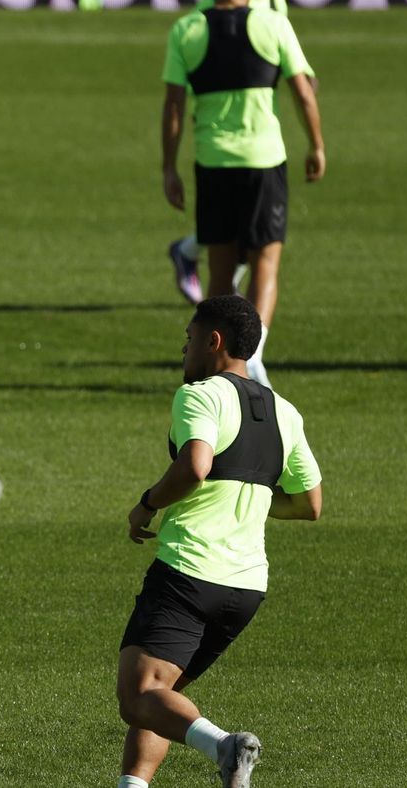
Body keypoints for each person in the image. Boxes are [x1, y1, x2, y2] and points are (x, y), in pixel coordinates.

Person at [117, 294, 323, 788]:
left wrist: (146, 504)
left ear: (214, 342)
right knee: (163, 697)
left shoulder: (203, 394)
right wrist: (248, 497)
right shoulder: (285, 412)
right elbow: (309, 504)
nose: (183, 351)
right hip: (246, 588)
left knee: (138, 693)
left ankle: (225, 747)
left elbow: (195, 466)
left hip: (189, 571)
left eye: (189, 340)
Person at [160, 0, 325, 388]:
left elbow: (174, 106)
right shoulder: (273, 24)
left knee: (220, 267)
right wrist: (317, 145)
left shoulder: (187, 30)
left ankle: (218, 361)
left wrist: (169, 168)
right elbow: (303, 91)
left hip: (212, 161)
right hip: (263, 158)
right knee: (265, 262)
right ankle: (251, 358)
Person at [168, 0, 307, 304]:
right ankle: (243, 344)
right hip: (223, 131)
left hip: (255, 131)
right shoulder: (207, 12)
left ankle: (189, 254)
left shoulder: (274, 1)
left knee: (243, 247)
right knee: (245, 251)